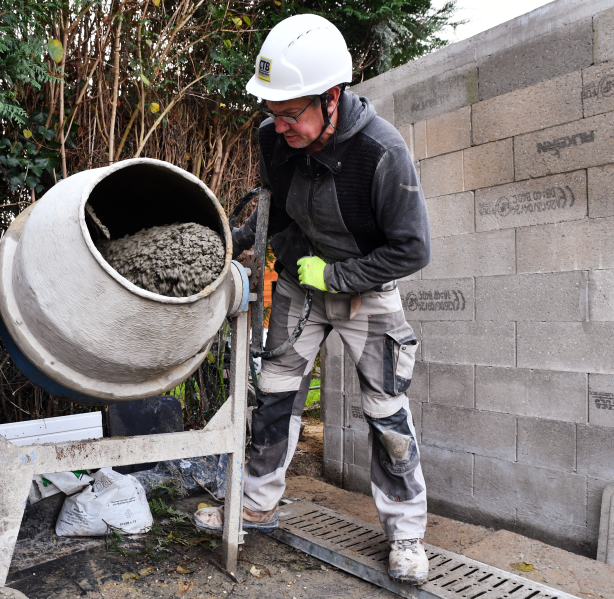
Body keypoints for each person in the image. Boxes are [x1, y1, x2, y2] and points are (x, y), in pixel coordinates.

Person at [193, 13, 431, 585]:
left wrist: (337, 275)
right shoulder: (274, 137)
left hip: (365, 289)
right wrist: (231, 241)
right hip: (301, 285)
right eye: (271, 112)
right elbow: (274, 206)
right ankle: (257, 503)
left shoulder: (381, 152)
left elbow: (413, 249)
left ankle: (406, 533)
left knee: (386, 412)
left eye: (290, 114)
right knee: (274, 394)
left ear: (332, 97)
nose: (279, 127)